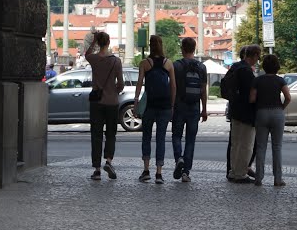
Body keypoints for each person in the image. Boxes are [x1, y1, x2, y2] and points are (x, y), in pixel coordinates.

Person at [134, 34, 176, 184]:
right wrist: (172, 105)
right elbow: (173, 86)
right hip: (164, 105)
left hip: (149, 105)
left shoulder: (145, 63)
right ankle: (159, 173)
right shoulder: (168, 63)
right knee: (161, 138)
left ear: (150, 46)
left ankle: (146, 170)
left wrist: (136, 102)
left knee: (146, 136)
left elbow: (139, 83)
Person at [85, 29, 124, 181]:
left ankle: (97, 169)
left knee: (96, 135)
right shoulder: (116, 61)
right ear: (108, 43)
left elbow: (86, 54)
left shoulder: (94, 59)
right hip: (112, 102)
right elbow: (120, 83)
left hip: (96, 102)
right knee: (111, 134)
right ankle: (108, 161)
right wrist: (114, 91)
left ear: (99, 43)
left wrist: (94, 41)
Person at [251, 53, 291, 187]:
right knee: (277, 147)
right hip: (277, 113)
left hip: (261, 113)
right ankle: (278, 179)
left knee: (261, 147)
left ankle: (259, 178)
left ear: (264, 66)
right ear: (277, 66)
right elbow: (288, 97)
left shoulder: (257, 80)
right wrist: (281, 108)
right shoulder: (280, 81)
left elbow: (252, 99)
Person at [172, 37, 208, 183]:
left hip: (179, 105)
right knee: (190, 140)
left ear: (182, 48)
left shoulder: (176, 66)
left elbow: (172, 88)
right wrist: (204, 109)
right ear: (194, 49)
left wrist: (171, 106)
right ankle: (186, 172)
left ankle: (178, 158)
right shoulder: (201, 67)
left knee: (176, 136)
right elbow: (203, 90)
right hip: (194, 106)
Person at [228, 44, 261, 182]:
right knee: (246, 145)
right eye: (257, 57)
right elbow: (251, 96)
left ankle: (233, 171)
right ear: (253, 56)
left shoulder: (235, 66)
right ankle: (241, 174)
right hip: (246, 113)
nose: (257, 60)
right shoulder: (247, 71)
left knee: (235, 143)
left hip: (234, 110)